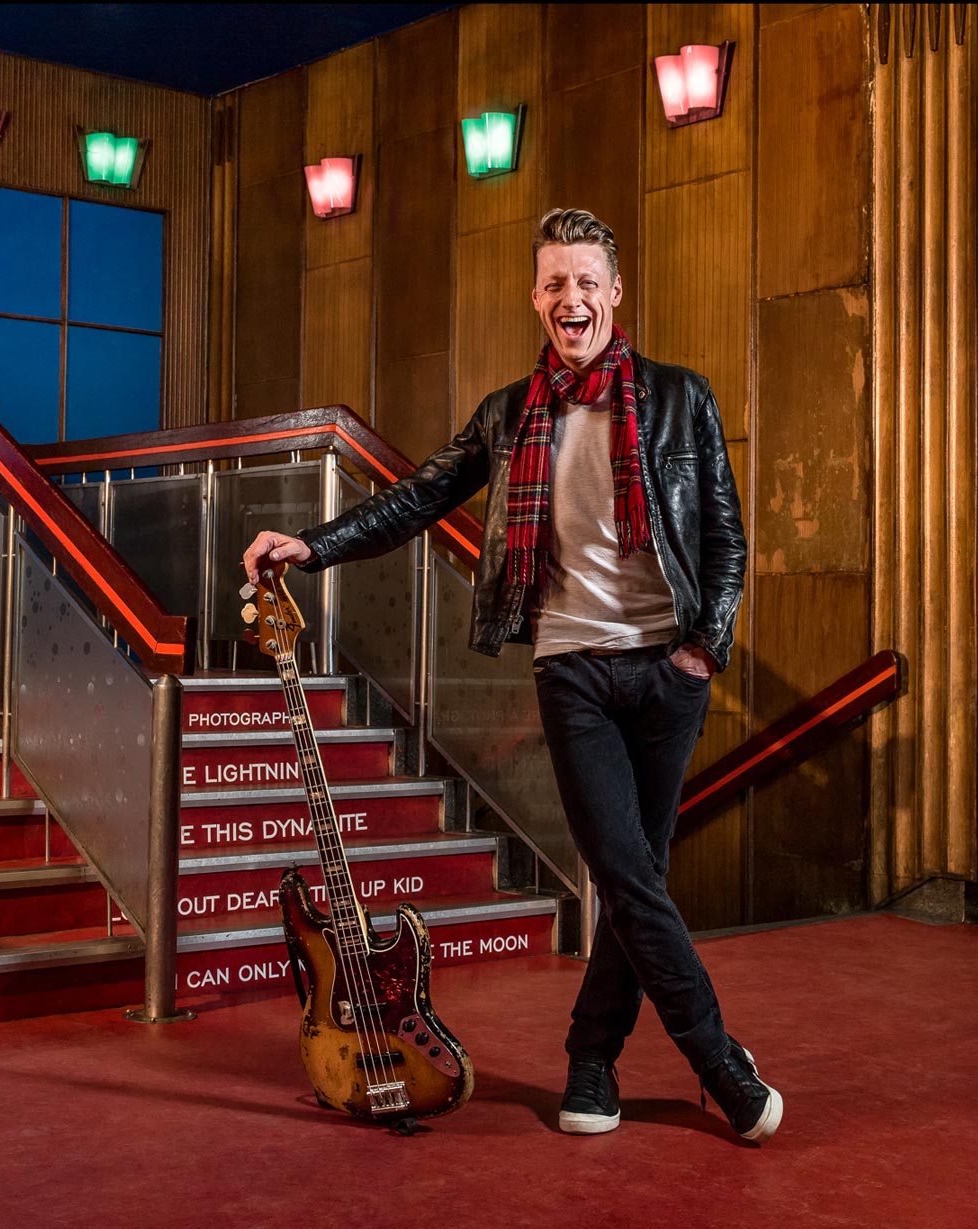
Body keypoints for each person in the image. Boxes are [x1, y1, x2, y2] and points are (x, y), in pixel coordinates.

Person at [242, 207, 780, 1142]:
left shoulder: (681, 398)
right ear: (537, 299)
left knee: (635, 877)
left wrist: (704, 647)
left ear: (616, 292)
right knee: (624, 867)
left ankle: (591, 1057)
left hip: (668, 668)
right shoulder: (509, 415)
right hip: (572, 668)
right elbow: (415, 498)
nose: (571, 299)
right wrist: (312, 545)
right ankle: (722, 1067)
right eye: (553, 284)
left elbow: (726, 542)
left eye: (587, 281)